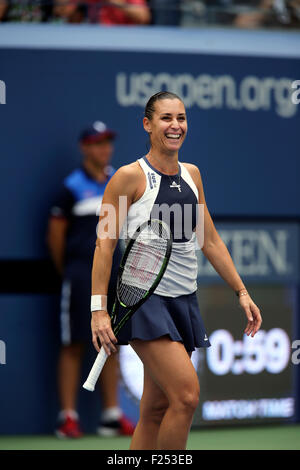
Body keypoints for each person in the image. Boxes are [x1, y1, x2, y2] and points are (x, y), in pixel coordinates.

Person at [89, 92, 262, 450]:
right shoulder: (126, 178)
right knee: (185, 397)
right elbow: (104, 244)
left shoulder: (192, 175)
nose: (175, 126)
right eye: (166, 118)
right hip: (144, 305)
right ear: (147, 124)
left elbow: (210, 239)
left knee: (156, 408)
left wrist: (241, 291)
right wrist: (99, 310)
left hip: (183, 301)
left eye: (181, 118)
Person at [47, 121, 135, 438]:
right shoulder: (70, 187)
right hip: (81, 273)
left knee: (111, 343)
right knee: (73, 342)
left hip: (115, 275)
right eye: (98, 143)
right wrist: (71, 270)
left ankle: (111, 416)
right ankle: (67, 417)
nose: (105, 148)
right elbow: (56, 237)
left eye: (108, 142)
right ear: (85, 148)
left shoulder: (119, 182)